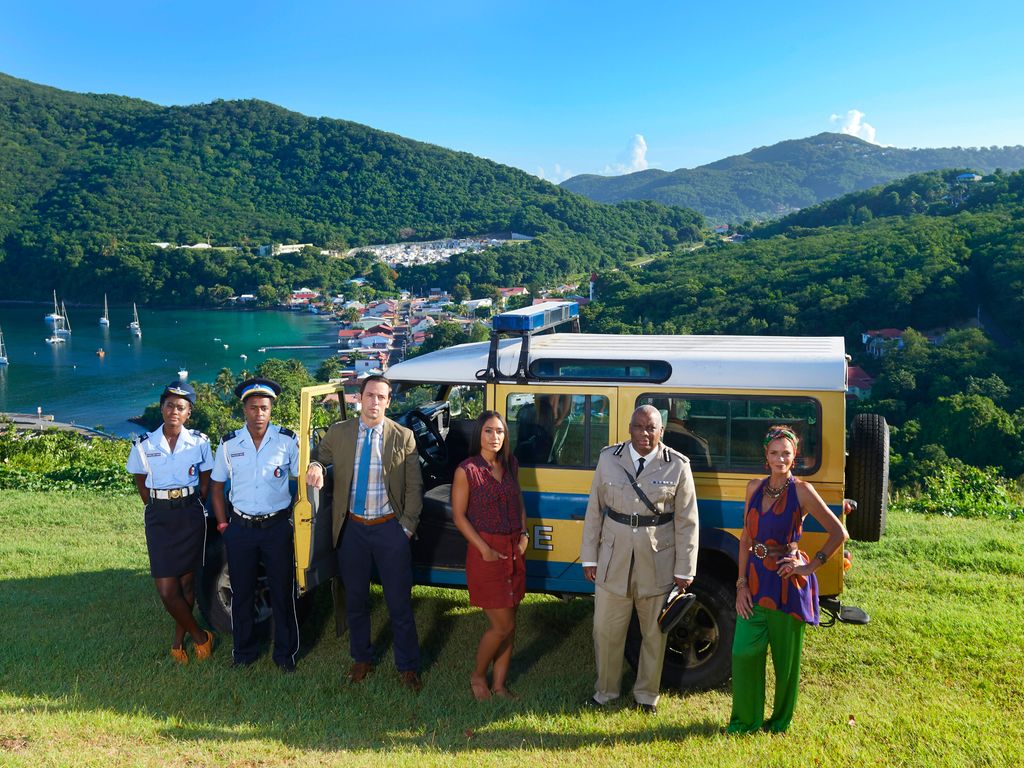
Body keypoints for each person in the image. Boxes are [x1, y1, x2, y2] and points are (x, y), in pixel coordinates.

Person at [305, 374, 424, 691]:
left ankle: (408, 667)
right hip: (353, 529)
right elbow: (320, 456)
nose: (374, 402)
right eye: (369, 395)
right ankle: (362, 659)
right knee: (355, 600)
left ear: (388, 401)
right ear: (360, 398)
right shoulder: (339, 433)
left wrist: (406, 529)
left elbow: (414, 487)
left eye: (381, 397)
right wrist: (316, 466)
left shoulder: (404, 437)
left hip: (389, 529)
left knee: (399, 602)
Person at [728, 425, 849, 734]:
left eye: (786, 453)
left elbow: (839, 532)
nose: (779, 459)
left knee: (786, 665)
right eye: (774, 453)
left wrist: (809, 567)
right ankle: (745, 722)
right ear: (765, 456)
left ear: (795, 457)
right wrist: (740, 584)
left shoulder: (801, 491)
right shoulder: (753, 487)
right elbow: (746, 539)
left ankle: (779, 723)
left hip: (786, 583)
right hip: (755, 583)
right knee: (743, 653)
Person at [580, 404, 699, 715]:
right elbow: (595, 511)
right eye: (639, 426)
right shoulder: (609, 458)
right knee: (605, 630)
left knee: (654, 633)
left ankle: (647, 695)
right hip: (612, 558)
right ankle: (605, 692)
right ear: (629, 427)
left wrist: (685, 569)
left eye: (652, 428)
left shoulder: (677, 465)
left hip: (657, 560)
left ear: (662, 431)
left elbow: (687, 522)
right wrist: (589, 558)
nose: (645, 433)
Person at [210, 377, 301, 672]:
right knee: (242, 593)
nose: (258, 413)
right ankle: (244, 652)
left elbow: (304, 478)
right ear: (244, 410)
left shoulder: (288, 441)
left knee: (282, 592)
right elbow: (216, 485)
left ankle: (285, 655)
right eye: (253, 408)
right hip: (241, 529)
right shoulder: (229, 444)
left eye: (264, 407)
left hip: (277, 528)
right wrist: (224, 525)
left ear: (271, 409)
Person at [126, 380, 214, 664]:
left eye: (181, 407)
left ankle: (178, 642)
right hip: (160, 518)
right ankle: (201, 636)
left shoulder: (199, 442)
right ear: (161, 408)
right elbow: (142, 485)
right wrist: (159, 507)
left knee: (187, 584)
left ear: (189, 412)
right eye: (169, 405)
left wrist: (192, 504)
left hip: (190, 515)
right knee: (167, 589)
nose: (174, 411)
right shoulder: (143, 445)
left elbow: (205, 479)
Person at [451, 410, 528, 701]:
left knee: (511, 624)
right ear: (478, 434)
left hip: (513, 550)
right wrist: (484, 549)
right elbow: (459, 516)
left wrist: (525, 535)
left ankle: (499, 686)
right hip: (486, 553)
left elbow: (518, 500)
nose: (494, 437)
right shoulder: (466, 470)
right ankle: (477, 675)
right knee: (501, 624)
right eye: (488, 431)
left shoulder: (510, 464)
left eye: (499, 431)